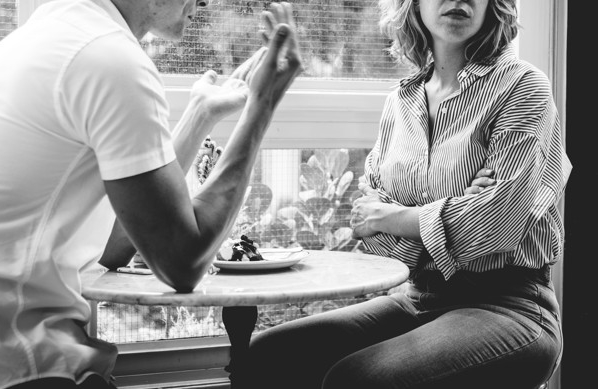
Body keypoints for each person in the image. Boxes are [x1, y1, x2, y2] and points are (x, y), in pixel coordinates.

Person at [0, 0, 302, 387]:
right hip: (27, 372)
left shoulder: (44, 38)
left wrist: (199, 115)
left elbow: (114, 244)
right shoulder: (110, 58)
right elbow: (183, 262)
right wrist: (262, 105)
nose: (207, 1)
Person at [243, 1, 571, 388]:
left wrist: (396, 216)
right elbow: (371, 230)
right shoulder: (401, 101)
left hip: (509, 306)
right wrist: (460, 211)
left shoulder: (523, 86)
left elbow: (498, 224)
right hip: (418, 296)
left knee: (356, 379)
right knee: (267, 355)